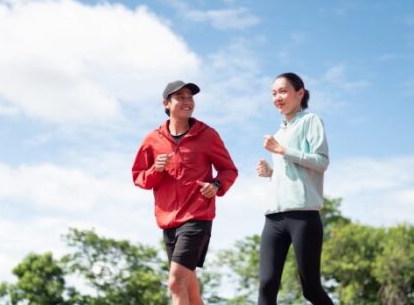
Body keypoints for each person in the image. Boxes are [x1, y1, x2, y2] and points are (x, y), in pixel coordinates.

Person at [132, 80, 238, 305]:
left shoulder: (207, 135)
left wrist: (217, 185)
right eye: (180, 97)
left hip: (197, 218)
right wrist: (156, 169)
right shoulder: (153, 139)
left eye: (190, 97)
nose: (187, 101)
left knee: (175, 282)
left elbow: (228, 169)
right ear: (166, 104)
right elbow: (139, 177)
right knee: (190, 288)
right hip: (168, 221)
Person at [256, 72, 334, 305]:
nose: (277, 97)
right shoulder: (280, 132)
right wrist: (271, 172)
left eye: (282, 91)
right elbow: (293, 171)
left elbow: (321, 162)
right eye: (273, 93)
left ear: (300, 93)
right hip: (273, 218)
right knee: (267, 285)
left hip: (303, 216)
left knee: (311, 289)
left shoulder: (311, 121)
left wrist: (283, 151)